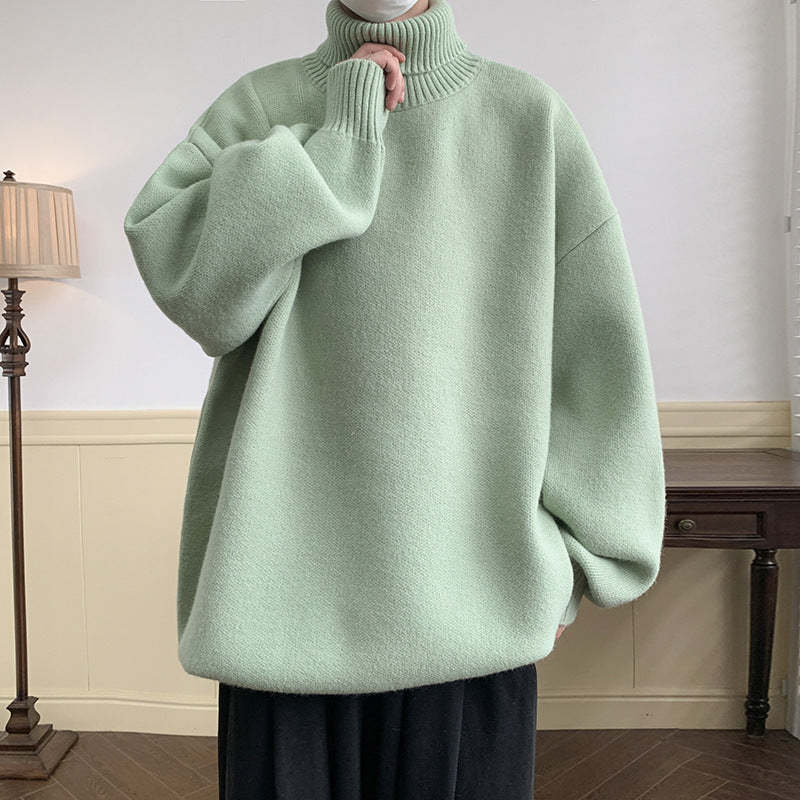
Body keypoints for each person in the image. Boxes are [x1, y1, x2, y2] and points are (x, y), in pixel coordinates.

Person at [122, 0, 666, 797]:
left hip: (476, 614)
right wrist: (337, 139)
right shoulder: (260, 106)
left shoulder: (527, 118)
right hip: (279, 618)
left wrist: (578, 567)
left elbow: (600, 361)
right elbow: (199, 295)